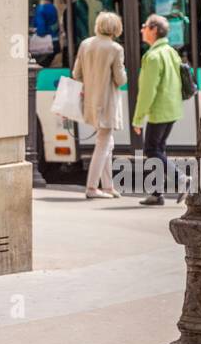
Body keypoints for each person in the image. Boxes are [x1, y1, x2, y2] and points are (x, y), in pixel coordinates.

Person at [73, 10, 127, 199]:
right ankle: (92, 188)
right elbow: (121, 80)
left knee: (106, 143)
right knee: (103, 144)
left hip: (90, 101)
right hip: (107, 103)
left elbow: (76, 74)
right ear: (115, 28)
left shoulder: (85, 44)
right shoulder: (115, 49)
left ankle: (108, 186)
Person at [131, 14, 183, 206]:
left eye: (145, 26)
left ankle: (182, 180)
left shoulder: (153, 57)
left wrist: (137, 119)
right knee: (159, 149)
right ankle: (156, 193)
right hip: (172, 110)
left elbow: (147, 92)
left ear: (154, 30)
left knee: (152, 149)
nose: (142, 29)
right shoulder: (171, 52)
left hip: (159, 111)